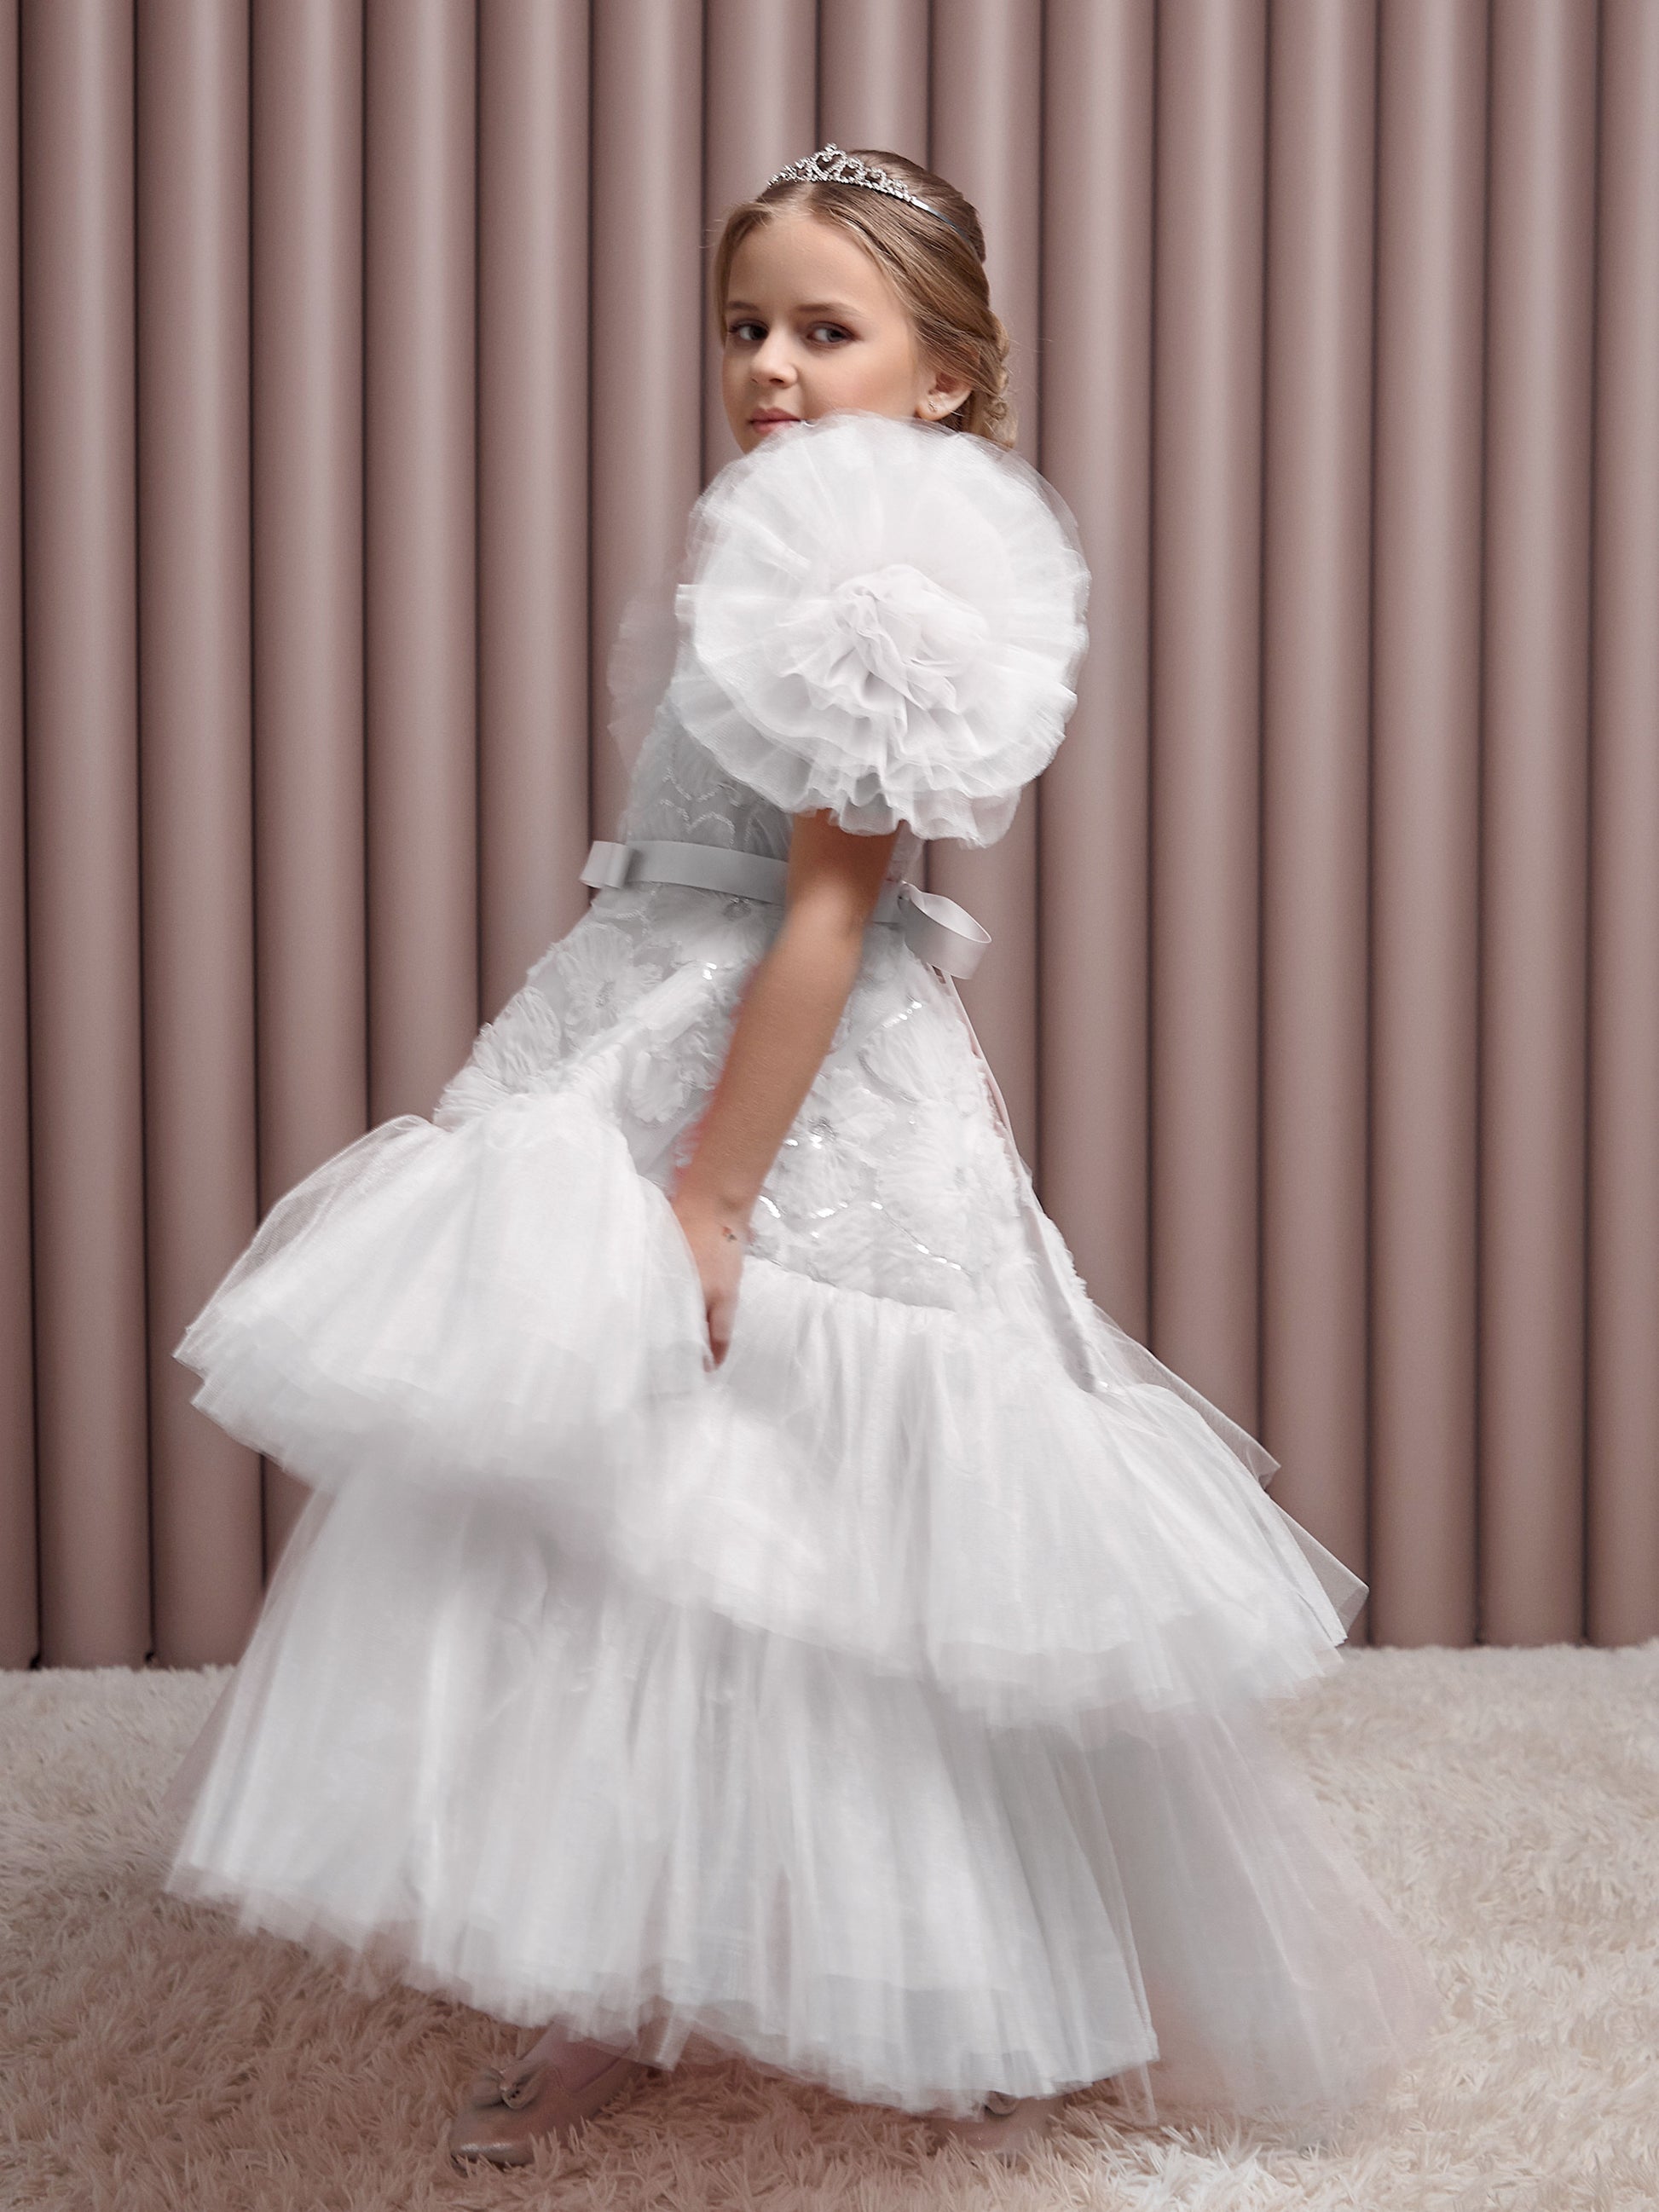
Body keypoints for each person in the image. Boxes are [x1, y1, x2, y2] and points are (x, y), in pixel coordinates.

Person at [158, 146, 1439, 2169]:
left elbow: (831, 917)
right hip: (637, 1007)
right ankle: (614, 1957)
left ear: (942, 373)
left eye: (823, 331)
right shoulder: (774, 529)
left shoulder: (888, 572)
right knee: (611, 1499)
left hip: (778, 1072)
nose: (767, 365)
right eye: (743, 324)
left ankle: (949, 1963)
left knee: (811, 1514)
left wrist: (714, 1191)